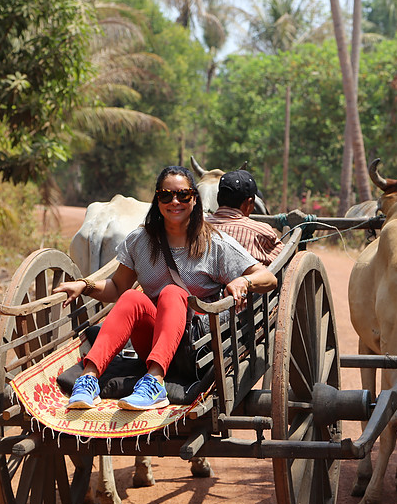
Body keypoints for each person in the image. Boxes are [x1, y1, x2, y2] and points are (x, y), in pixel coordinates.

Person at [54, 166, 278, 411]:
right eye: (166, 195)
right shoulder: (140, 240)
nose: (175, 202)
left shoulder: (215, 243)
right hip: (152, 344)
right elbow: (117, 287)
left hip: (195, 349)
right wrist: (84, 285)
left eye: (183, 195)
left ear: (194, 199)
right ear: (157, 200)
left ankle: (154, 383)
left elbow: (268, 278)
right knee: (131, 296)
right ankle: (88, 380)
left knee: (172, 292)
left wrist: (243, 281)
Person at [205, 169, 283, 266]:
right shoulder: (262, 231)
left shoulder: (198, 226)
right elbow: (283, 258)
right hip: (251, 280)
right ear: (249, 203)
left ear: (218, 197)